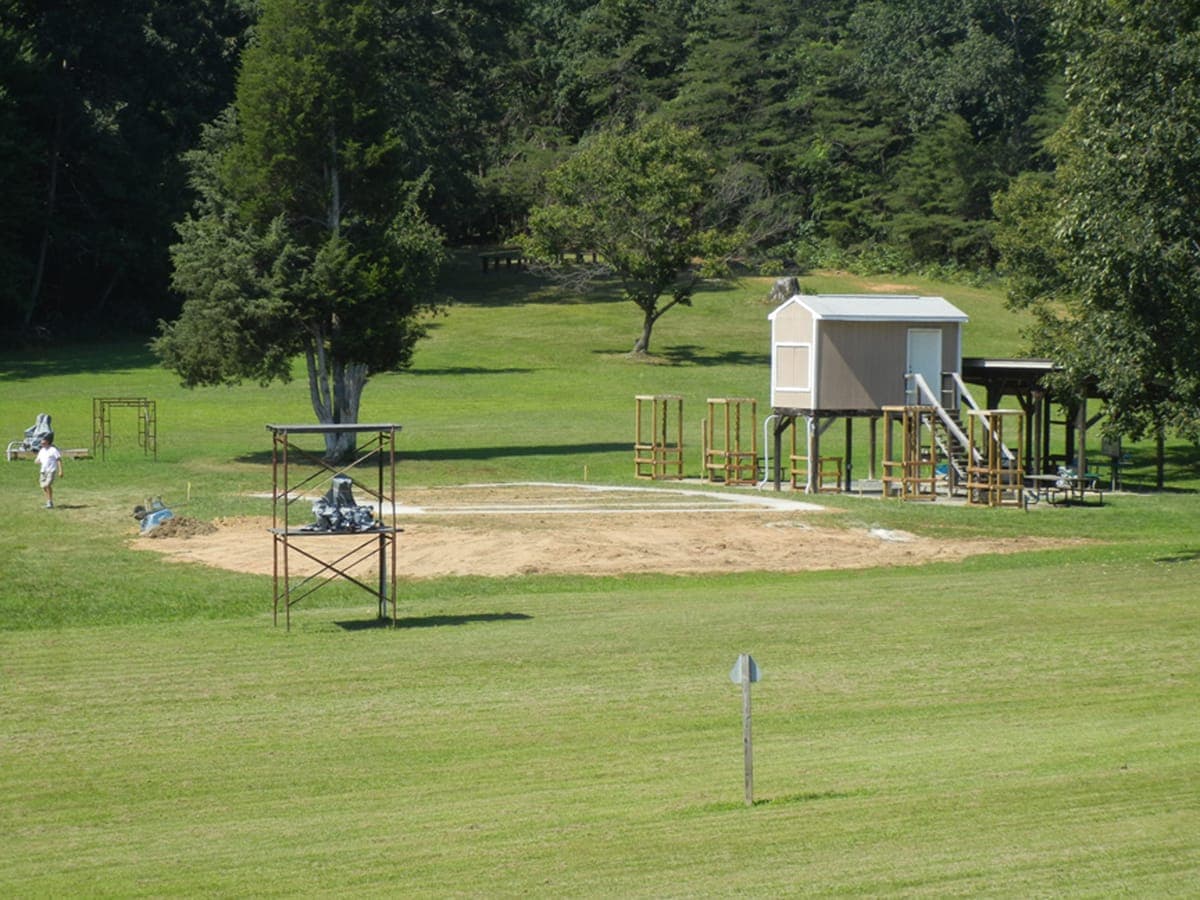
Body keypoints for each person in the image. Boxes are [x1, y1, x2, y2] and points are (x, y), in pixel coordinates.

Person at [35, 434, 63, 508]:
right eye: (41, 441)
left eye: (43, 441)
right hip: (43, 471)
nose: (42, 442)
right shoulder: (41, 450)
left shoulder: (53, 450)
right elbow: (37, 460)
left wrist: (60, 471)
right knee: (43, 487)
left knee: (47, 485)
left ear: (48, 441)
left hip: (51, 470)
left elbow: (59, 460)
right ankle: (49, 502)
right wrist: (37, 461)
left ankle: (49, 502)